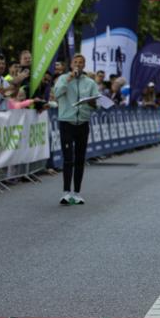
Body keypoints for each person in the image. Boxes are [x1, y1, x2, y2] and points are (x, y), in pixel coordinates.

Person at [53, 54, 99, 205]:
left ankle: (77, 193)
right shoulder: (63, 78)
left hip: (83, 123)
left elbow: (96, 104)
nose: (78, 65)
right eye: (76, 62)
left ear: (84, 65)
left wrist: (92, 102)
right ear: (71, 64)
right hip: (67, 121)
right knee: (68, 158)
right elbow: (57, 94)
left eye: (81, 63)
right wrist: (68, 79)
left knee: (80, 158)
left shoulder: (90, 82)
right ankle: (66, 192)